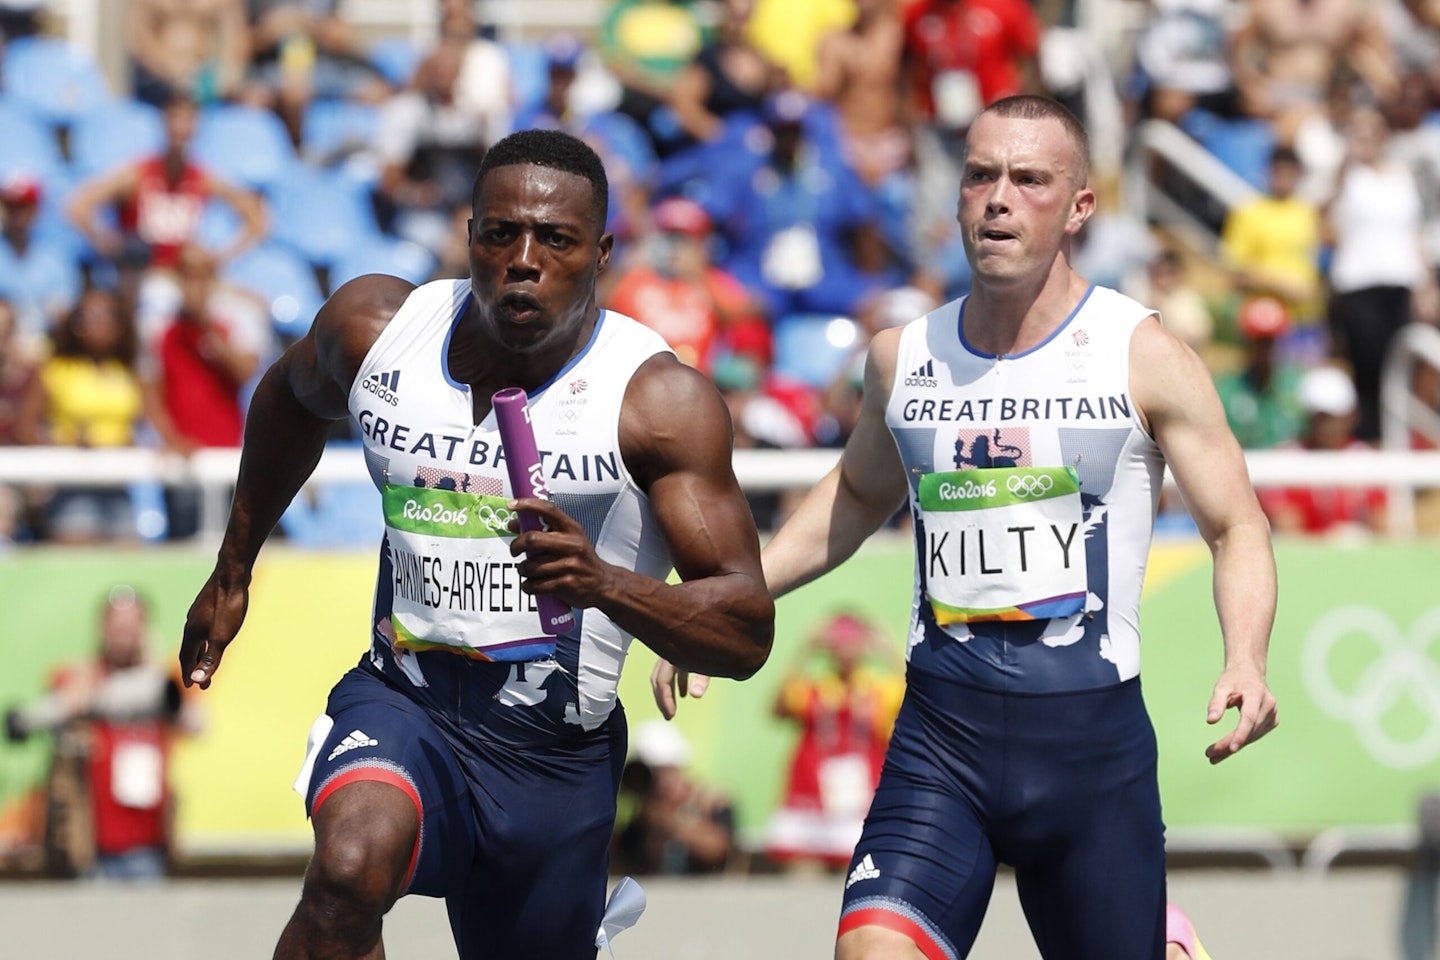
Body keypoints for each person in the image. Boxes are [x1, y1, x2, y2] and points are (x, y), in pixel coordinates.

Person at [655, 96, 1279, 959]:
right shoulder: (900, 358)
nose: (999, 198)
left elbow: (1236, 527)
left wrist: (1245, 656)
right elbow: (858, 496)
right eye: (981, 174)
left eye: (1029, 180)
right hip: (942, 744)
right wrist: (724, 600)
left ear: (1079, 207)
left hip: (1093, 757)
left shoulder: (1142, 355)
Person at [178, 128, 774, 959]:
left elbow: (746, 628)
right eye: (501, 234)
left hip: (554, 756)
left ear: (600, 251)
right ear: (469, 235)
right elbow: (287, 399)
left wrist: (605, 584)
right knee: (348, 869)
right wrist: (233, 568)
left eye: (556, 240)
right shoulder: (376, 331)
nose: (523, 259)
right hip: (404, 699)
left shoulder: (656, 401)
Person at [4, 586, 190, 881]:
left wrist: (152, 664)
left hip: (149, 845)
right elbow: (48, 714)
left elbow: (196, 723)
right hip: (89, 845)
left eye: (133, 626)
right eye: (117, 627)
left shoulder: (160, 685)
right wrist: (85, 695)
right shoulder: (79, 678)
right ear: (102, 629)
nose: (124, 635)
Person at [765, 610, 904, 871]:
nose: (846, 651)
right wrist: (803, 652)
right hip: (812, 797)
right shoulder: (814, 687)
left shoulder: (880, 688)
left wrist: (889, 651)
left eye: (853, 642)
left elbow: (918, 701)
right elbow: (777, 708)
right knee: (801, 877)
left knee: (858, 875)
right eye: (839, 643)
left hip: (861, 798)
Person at [610, 719, 737, 876]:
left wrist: (666, 821)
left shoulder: (709, 801)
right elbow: (612, 855)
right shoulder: (640, 810)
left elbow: (719, 848)